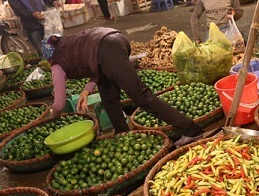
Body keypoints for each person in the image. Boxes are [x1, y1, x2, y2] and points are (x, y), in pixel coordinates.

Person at [42, 28, 203, 147]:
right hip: (113, 40)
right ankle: (124, 134)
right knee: (108, 97)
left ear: (48, 58)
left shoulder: (56, 64)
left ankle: (191, 130)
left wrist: (54, 116)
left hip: (108, 51)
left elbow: (59, 104)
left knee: (141, 95)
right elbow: (93, 60)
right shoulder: (70, 44)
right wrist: (86, 90)